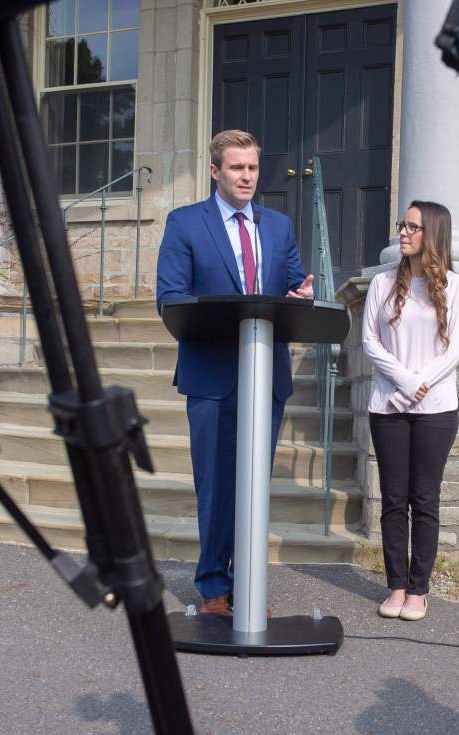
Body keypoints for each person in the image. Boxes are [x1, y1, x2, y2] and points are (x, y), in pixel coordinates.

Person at [155, 129, 314, 616]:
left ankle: (247, 586)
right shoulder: (184, 224)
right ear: (215, 171)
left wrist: (301, 297)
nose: (247, 176)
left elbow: (293, 285)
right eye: (237, 168)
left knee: (253, 486)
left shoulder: (278, 226)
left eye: (252, 168)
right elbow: (171, 299)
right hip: (211, 377)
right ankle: (213, 589)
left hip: (265, 377)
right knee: (217, 487)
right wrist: (229, 313)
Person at [362, 200, 459, 621]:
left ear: (433, 234)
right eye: (401, 225)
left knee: (424, 499)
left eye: (411, 226)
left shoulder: (456, 287)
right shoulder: (381, 284)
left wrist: (420, 384)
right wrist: (406, 383)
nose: (402, 232)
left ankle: (419, 591)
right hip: (388, 406)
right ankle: (396, 585)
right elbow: (371, 342)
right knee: (393, 499)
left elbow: (456, 348)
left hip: (437, 409)